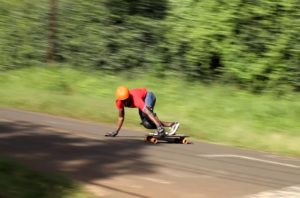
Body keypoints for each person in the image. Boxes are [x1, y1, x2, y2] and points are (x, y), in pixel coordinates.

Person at [105, 86, 180, 137]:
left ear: (129, 96)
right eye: (123, 100)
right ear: (120, 99)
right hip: (143, 101)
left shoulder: (135, 99)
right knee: (146, 124)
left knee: (146, 114)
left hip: (148, 96)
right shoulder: (119, 102)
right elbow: (121, 117)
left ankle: (160, 128)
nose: (126, 102)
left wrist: (159, 126)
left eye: (127, 99)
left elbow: (148, 112)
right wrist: (116, 131)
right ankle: (172, 124)